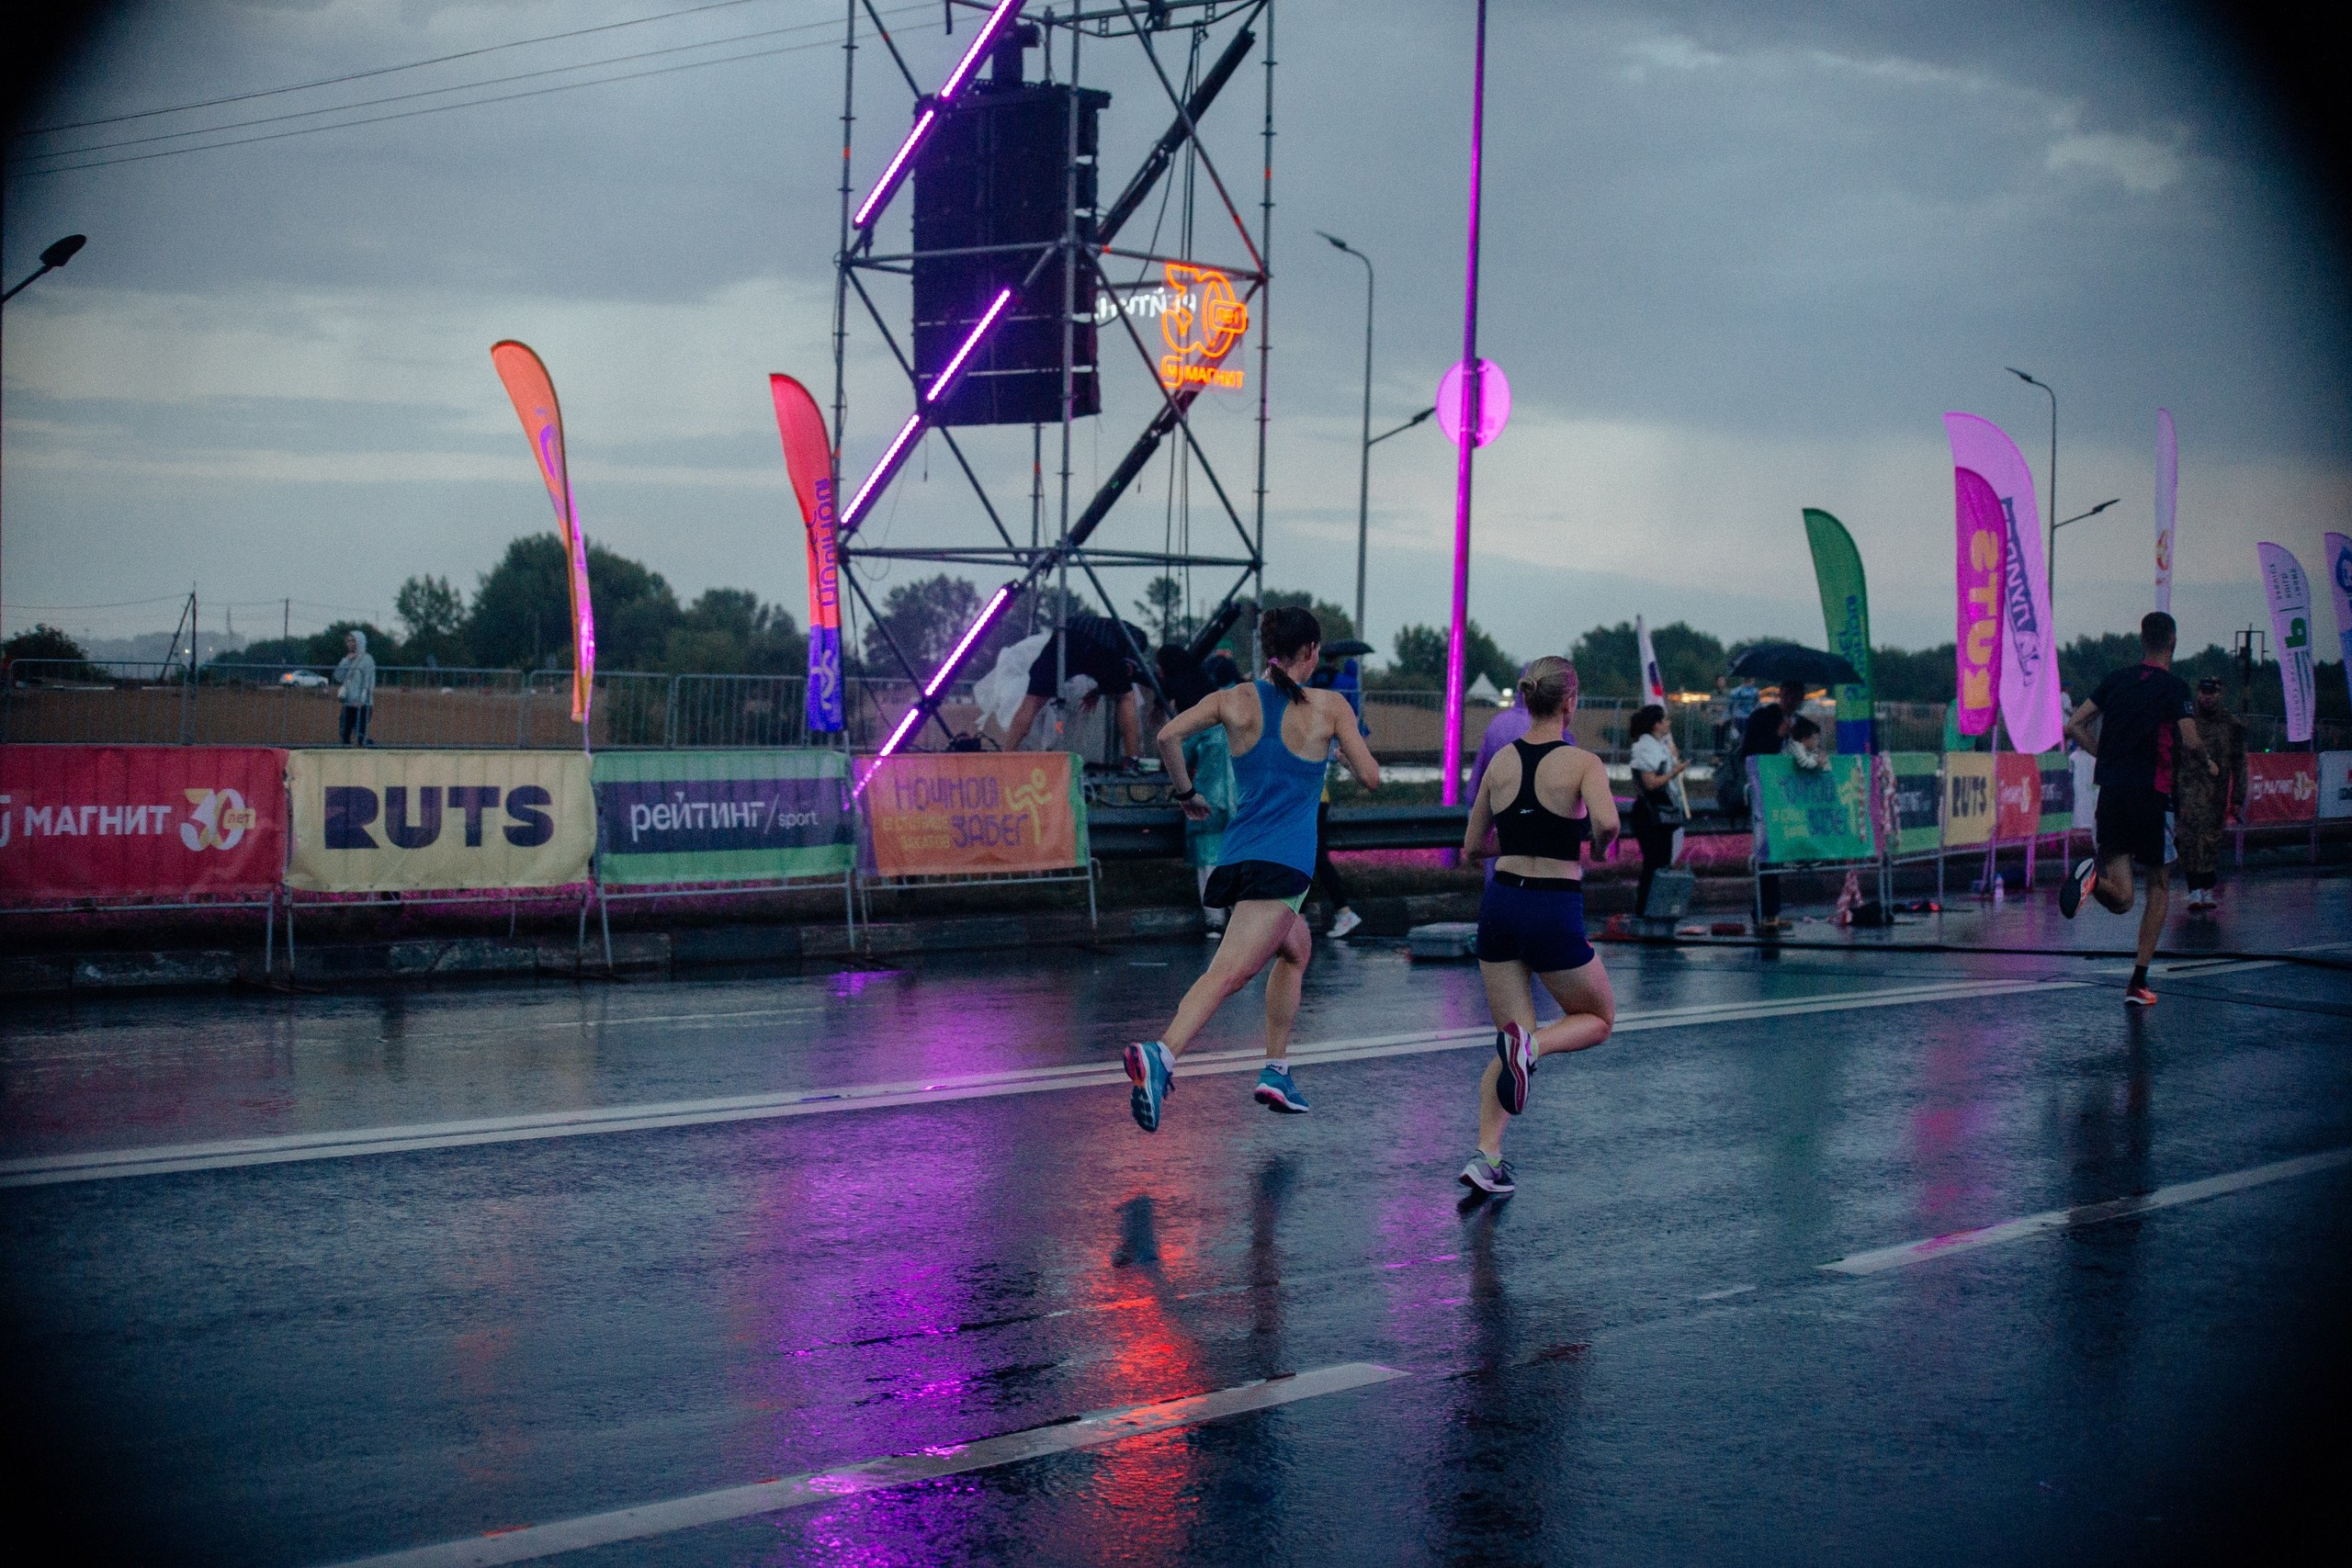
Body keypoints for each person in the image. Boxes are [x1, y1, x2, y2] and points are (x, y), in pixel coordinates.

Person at [1125, 606, 1381, 1131]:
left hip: (1239, 856)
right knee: (1229, 971)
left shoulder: (1234, 700)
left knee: (1298, 948)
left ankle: (1276, 1069)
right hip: (1283, 866)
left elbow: (1166, 737)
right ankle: (1163, 1053)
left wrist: (1187, 794)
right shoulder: (1330, 707)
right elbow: (1373, 778)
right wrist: (1338, 746)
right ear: (1311, 652)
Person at [1456, 656, 1619, 1196]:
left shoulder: (1501, 760)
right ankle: (1534, 1050)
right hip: (1552, 907)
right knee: (1596, 1017)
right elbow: (1609, 822)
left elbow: (1471, 847)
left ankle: (1486, 1157)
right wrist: (1593, 846)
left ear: (1526, 700)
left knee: (1510, 1039)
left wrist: (1521, 840)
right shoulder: (1582, 763)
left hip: (1500, 905)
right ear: (1571, 703)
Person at [2060, 611, 2218, 1006]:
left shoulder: (2116, 680)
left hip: (2111, 793)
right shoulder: (2174, 687)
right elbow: (2191, 739)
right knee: (2159, 886)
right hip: (2151, 795)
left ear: (2141, 640)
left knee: (2123, 896)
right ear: (2174, 642)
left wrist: (2108, 756)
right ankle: (2139, 982)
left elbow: (2074, 726)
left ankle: (2092, 879)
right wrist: (2209, 762)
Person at [998, 613, 1151, 764]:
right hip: (1097, 641)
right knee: (1125, 697)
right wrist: (1129, 666)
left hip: (1064, 633)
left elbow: (1104, 673)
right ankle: (1132, 758)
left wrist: (1098, 691)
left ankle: (1006, 753)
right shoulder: (1136, 635)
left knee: (1032, 700)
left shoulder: (1106, 623)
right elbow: (1125, 671)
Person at [2175, 675, 2247, 913]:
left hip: (2217, 791)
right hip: (2188, 789)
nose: (2207, 697)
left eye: (2212, 693)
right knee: (2189, 840)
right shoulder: (2187, 721)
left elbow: (2239, 763)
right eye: (2203, 693)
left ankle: (2206, 889)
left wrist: (2238, 797)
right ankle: (2195, 889)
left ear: (2220, 694)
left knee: (2210, 840)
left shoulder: (2231, 725)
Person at [1738, 680, 1803, 930]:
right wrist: (1777, 736)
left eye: (1796, 695)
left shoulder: (1801, 723)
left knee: (1777, 855)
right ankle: (1764, 911)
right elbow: (1749, 753)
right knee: (1766, 852)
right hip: (1766, 795)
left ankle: (1772, 911)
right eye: (1787, 694)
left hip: (1788, 797)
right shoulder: (1762, 717)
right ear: (1780, 694)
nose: (1791, 700)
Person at [1626, 704, 1690, 918]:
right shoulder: (1645, 747)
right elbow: (1650, 783)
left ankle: (1656, 910)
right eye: (1666, 720)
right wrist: (1675, 771)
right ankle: (1645, 910)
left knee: (1662, 862)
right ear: (1656, 724)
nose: (1669, 724)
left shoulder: (1658, 745)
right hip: (1650, 814)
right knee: (1653, 863)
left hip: (1661, 814)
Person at [334, 630, 376, 746]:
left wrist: (362, 700)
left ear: (360, 642)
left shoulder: (367, 659)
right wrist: (346, 660)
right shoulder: (348, 659)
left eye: (353, 640)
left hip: (362, 704)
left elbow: (369, 681)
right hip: (348, 702)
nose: (350, 643)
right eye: (348, 641)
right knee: (344, 733)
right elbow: (338, 677)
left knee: (360, 735)